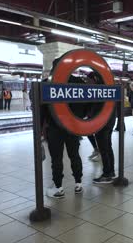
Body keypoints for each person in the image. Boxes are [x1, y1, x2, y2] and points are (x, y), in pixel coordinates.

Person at [42, 67, 88, 199]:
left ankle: (59, 188)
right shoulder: (79, 83)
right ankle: (78, 184)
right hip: (73, 126)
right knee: (74, 155)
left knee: (56, 159)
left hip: (55, 127)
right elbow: (87, 102)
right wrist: (80, 116)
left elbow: (41, 107)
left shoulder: (48, 83)